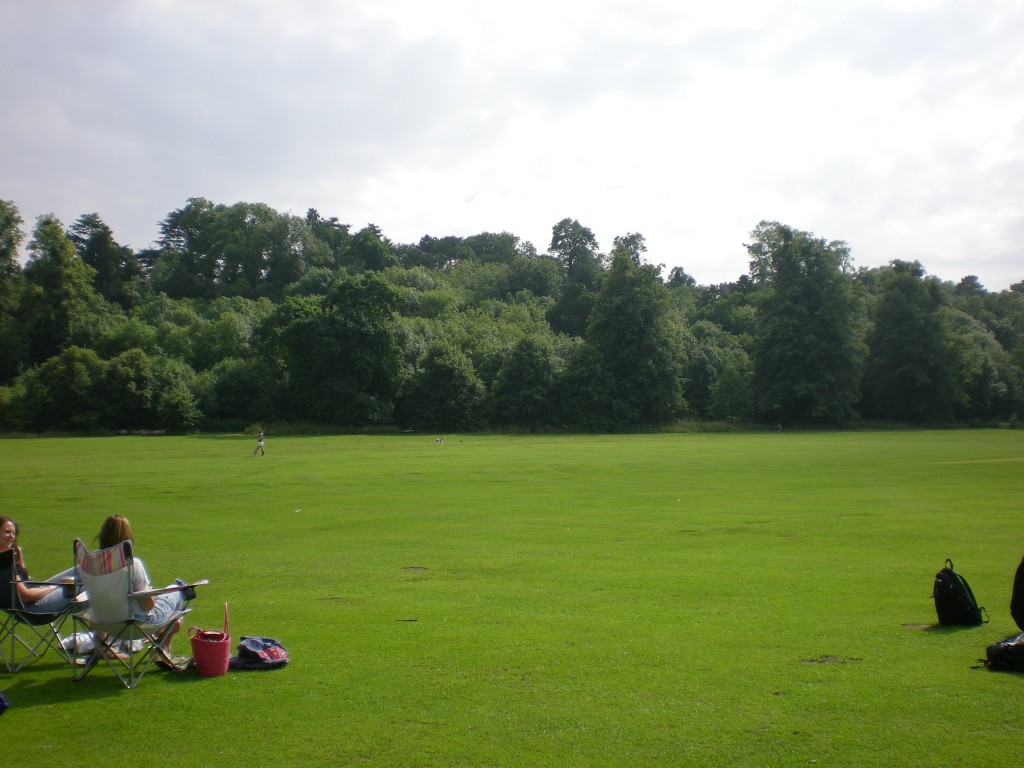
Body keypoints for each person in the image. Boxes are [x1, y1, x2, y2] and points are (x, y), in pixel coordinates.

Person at [94, 515, 186, 665]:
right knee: (176, 591)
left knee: (172, 612)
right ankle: (163, 647)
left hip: (105, 621)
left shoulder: (91, 565)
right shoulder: (132, 564)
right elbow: (148, 606)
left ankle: (102, 646)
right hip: (135, 623)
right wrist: (153, 597)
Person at [1, 515, 75, 614]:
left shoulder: (7, 557)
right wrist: (53, 587)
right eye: (7, 532)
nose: (12, 537)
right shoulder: (4, 562)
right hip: (34, 607)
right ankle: (97, 625)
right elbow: (26, 595)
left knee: (80, 570)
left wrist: (19, 560)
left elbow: (25, 580)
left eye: (14, 533)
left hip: (33, 595)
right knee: (81, 584)